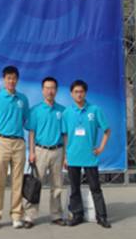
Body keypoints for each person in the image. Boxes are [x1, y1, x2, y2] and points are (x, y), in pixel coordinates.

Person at [62, 79, 112, 229]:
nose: (79, 94)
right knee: (74, 188)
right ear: (71, 94)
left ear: (85, 93)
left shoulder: (95, 110)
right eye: (76, 92)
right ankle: (77, 215)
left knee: (95, 188)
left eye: (81, 91)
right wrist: (65, 156)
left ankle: (102, 217)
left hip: (90, 157)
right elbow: (65, 135)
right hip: (73, 157)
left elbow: (107, 130)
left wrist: (101, 148)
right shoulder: (67, 112)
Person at [0, 65, 29, 231]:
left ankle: (17, 216)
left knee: (18, 181)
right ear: (4, 79)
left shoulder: (22, 99)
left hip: (18, 143)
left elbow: (25, 119)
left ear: (17, 80)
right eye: (8, 78)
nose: (11, 81)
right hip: (1, 141)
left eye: (14, 78)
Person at [22, 77, 66, 229]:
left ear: (56, 90)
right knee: (35, 185)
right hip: (40, 151)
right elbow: (31, 133)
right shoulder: (35, 110)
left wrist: (66, 155)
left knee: (57, 185)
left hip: (58, 151)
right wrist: (31, 152)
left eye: (52, 88)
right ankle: (30, 216)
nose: (50, 91)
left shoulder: (62, 111)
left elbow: (65, 135)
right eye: (47, 88)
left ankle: (56, 215)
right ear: (42, 90)